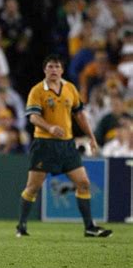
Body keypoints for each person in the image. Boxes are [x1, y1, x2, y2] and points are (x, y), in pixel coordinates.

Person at [16, 54, 112, 238]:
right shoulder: (37, 91)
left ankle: (90, 227)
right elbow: (33, 117)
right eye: (50, 67)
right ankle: (21, 225)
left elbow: (80, 115)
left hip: (67, 145)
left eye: (56, 67)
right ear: (45, 70)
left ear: (62, 70)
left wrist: (91, 137)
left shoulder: (70, 89)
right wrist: (49, 127)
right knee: (33, 187)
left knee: (83, 183)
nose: (53, 70)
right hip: (44, 144)